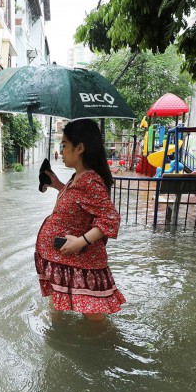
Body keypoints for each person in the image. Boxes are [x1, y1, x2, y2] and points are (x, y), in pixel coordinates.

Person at [35, 119, 126, 320]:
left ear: (80, 148)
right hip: (63, 261)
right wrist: (58, 185)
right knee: (58, 315)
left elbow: (111, 219)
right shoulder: (78, 177)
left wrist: (80, 242)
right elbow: (77, 203)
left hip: (81, 264)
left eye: (65, 145)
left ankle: (100, 350)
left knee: (94, 322)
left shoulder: (90, 180)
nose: (62, 150)